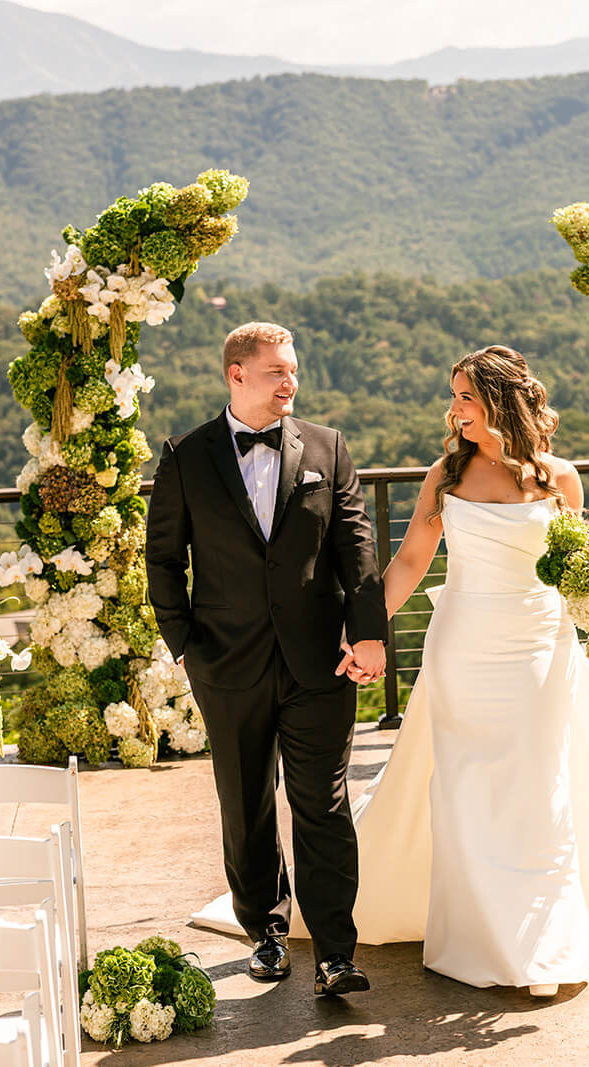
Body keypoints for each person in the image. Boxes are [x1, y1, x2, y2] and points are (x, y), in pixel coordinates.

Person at [196, 344, 589, 996]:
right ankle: (475, 937)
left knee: (537, 790)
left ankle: (541, 942)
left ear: (503, 402)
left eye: (465, 398)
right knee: (465, 789)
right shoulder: (445, 475)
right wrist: (361, 633)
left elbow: (579, 573)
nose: (454, 411)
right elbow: (409, 564)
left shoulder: (560, 478)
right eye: (454, 397)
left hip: (539, 649)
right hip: (461, 650)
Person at [146, 321, 389, 997]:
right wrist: (188, 646)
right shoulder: (186, 458)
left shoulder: (328, 447)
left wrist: (367, 633)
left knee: (323, 805)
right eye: (276, 370)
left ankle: (336, 952)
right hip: (226, 664)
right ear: (236, 374)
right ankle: (267, 932)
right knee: (247, 803)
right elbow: (163, 561)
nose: (290, 381)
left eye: (294, 370)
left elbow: (357, 548)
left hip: (320, 665)